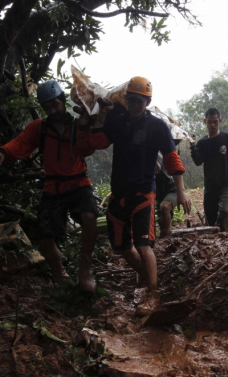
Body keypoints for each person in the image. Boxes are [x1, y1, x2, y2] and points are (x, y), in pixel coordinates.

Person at [77, 76, 191, 316]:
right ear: (126, 100)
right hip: (119, 194)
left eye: (140, 101)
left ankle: (153, 295)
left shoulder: (157, 127)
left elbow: (171, 158)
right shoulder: (118, 121)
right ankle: (147, 277)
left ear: (147, 102)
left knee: (143, 244)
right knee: (120, 247)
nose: (136, 104)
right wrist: (99, 117)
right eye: (132, 100)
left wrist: (181, 191)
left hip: (143, 194)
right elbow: (97, 142)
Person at [0, 80, 99, 292]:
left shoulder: (77, 125)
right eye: (48, 107)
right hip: (53, 187)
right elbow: (20, 144)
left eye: (55, 105)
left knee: (90, 218)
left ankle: (85, 270)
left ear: (62, 102)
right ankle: (61, 275)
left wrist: (90, 121)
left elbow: (88, 148)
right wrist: (2, 152)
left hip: (78, 183)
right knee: (46, 239)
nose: (53, 110)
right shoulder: (40, 128)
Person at [155, 156, 177, 238]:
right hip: (157, 192)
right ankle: (163, 235)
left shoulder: (157, 156)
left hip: (172, 189)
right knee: (161, 218)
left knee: (165, 207)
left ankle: (166, 238)